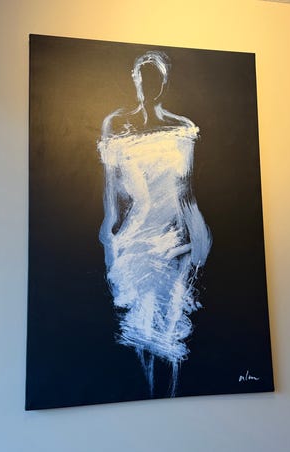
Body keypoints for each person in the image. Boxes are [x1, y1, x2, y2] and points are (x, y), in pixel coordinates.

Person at [98, 51, 212, 397]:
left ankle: (170, 403)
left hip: (173, 241)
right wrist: (110, 242)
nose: (148, 84)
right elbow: (111, 195)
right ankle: (147, 402)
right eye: (142, 76)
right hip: (135, 242)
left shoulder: (181, 128)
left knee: (170, 331)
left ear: (163, 83)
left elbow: (186, 192)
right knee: (140, 332)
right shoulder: (116, 126)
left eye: (155, 78)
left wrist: (201, 238)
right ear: (135, 80)